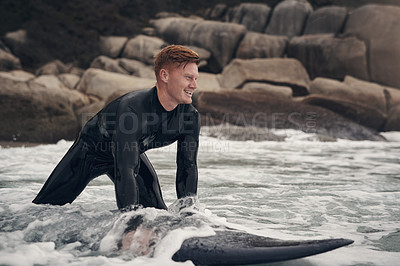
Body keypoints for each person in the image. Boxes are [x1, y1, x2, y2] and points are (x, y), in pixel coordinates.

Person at [32, 45, 201, 211]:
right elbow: (125, 170)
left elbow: (188, 167)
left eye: (195, 79)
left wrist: (189, 215)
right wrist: (129, 222)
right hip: (89, 154)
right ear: (164, 75)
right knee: (44, 209)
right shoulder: (133, 110)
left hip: (129, 155)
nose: (194, 85)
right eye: (188, 78)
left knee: (156, 210)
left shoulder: (189, 117)